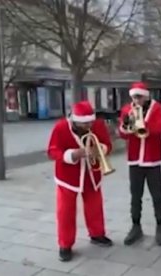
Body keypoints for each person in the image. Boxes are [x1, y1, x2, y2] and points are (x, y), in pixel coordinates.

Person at [47, 101, 113, 262]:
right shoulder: (61, 127)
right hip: (67, 177)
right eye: (84, 124)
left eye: (90, 122)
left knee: (95, 206)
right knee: (65, 212)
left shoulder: (97, 125)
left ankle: (97, 234)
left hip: (92, 174)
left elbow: (108, 145)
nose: (89, 126)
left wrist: (101, 149)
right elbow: (52, 151)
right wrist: (73, 155)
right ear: (75, 121)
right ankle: (65, 244)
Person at [118, 81, 161, 246]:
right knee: (135, 195)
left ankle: (160, 226)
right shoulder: (127, 109)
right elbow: (122, 133)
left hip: (152, 158)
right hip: (134, 159)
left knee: (157, 195)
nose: (136, 100)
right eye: (134, 97)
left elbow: (159, 128)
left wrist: (142, 125)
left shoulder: (157, 108)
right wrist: (126, 127)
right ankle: (136, 226)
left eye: (139, 97)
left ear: (145, 97)